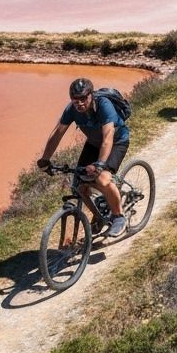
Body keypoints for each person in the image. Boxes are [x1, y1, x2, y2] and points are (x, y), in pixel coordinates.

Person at [37, 77, 129, 237]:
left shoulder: (104, 105)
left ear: (91, 95)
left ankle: (118, 217)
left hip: (116, 142)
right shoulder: (71, 110)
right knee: (80, 186)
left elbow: (108, 136)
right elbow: (57, 133)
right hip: (93, 144)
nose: (79, 103)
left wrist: (100, 164)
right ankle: (99, 217)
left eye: (83, 98)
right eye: (75, 99)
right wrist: (45, 159)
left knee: (102, 179)